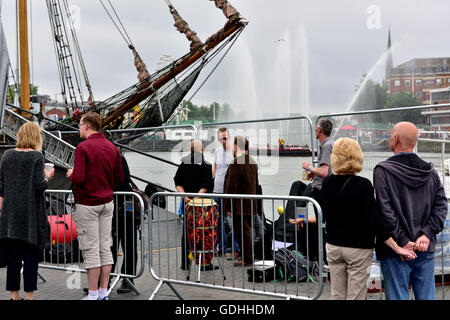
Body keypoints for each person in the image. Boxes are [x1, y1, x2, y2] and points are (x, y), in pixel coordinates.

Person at [374, 121, 447, 300]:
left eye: (391, 134)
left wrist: (403, 240)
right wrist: (426, 234)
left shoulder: (383, 171)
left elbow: (385, 210)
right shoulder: (430, 172)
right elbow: (441, 206)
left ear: (396, 138)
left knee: (397, 295)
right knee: (427, 296)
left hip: (395, 251)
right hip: (425, 247)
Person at [309, 137, 377, 300]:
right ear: (357, 157)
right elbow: (372, 219)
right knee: (355, 295)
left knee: (337, 294)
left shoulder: (328, 182)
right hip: (358, 248)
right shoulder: (364, 185)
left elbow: (326, 211)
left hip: (333, 245)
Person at [66, 112, 124, 300]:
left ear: (87, 126)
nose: (79, 128)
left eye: (80, 125)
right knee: (105, 247)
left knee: (90, 249)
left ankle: (92, 294)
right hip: (107, 203)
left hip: (88, 203)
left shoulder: (83, 148)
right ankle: (102, 292)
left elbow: (80, 178)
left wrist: (71, 174)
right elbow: (119, 178)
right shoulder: (112, 147)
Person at [0, 122, 55, 300]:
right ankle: (29, 297)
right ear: (35, 137)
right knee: (30, 258)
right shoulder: (37, 157)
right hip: (31, 215)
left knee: (13, 259)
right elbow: (39, 186)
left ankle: (14, 296)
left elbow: (1, 187)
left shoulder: (7, 155)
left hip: (10, 216)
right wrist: (48, 176)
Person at [281, 119, 334, 261]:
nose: (314, 130)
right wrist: (314, 172)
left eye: (316, 128)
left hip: (321, 191)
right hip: (322, 189)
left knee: (323, 224)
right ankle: (323, 257)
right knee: (323, 222)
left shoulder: (327, 146)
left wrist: (309, 167)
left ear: (319, 130)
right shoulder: (328, 144)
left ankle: (324, 259)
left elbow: (324, 172)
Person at [174, 140, 215, 271]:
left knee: (187, 232)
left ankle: (185, 263)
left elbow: (177, 182)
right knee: (204, 233)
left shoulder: (183, 164)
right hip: (203, 206)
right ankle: (204, 263)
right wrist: (196, 198)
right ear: (202, 150)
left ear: (191, 150)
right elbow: (206, 185)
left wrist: (185, 197)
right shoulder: (205, 165)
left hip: (188, 204)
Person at [224, 136, 259, 266]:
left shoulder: (236, 163)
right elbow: (256, 184)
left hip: (239, 205)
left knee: (242, 232)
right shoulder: (252, 162)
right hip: (251, 203)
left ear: (236, 146)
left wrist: (227, 207)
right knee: (247, 231)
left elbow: (230, 187)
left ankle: (247, 259)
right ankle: (246, 257)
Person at [111, 154, 138, 294]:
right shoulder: (115, 156)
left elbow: (123, 180)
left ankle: (127, 279)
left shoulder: (116, 157)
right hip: (115, 207)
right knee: (110, 246)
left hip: (123, 208)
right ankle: (105, 280)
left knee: (126, 245)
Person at [212, 128, 240, 259]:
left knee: (232, 221)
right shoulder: (217, 151)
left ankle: (236, 249)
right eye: (221, 139)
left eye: (225, 138)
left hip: (228, 193)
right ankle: (221, 247)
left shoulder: (235, 152)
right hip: (216, 191)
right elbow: (215, 166)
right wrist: (211, 179)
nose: (223, 141)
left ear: (230, 137)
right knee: (218, 221)